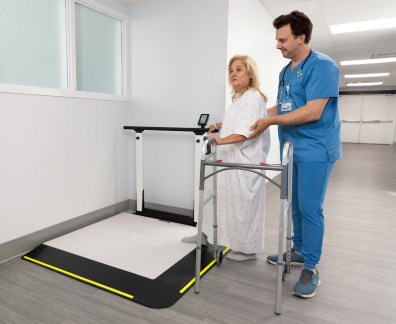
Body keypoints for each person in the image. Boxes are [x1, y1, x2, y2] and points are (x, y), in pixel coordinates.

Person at [249, 11, 341, 298]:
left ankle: (311, 267)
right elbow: (283, 107)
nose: (278, 45)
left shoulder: (323, 66)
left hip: (316, 148)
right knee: (296, 206)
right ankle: (298, 251)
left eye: (283, 40)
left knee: (311, 208)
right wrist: (253, 117)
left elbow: (313, 111)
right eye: (277, 40)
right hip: (291, 149)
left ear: (302, 37)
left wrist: (269, 122)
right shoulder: (286, 70)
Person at [183, 55, 271, 261]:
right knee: (212, 197)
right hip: (228, 159)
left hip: (242, 161)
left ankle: (247, 250)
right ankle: (203, 236)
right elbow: (237, 121)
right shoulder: (241, 98)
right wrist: (217, 126)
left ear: (250, 74)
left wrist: (220, 141)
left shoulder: (253, 97)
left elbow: (248, 129)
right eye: (231, 70)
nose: (233, 73)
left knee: (241, 206)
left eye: (239, 69)